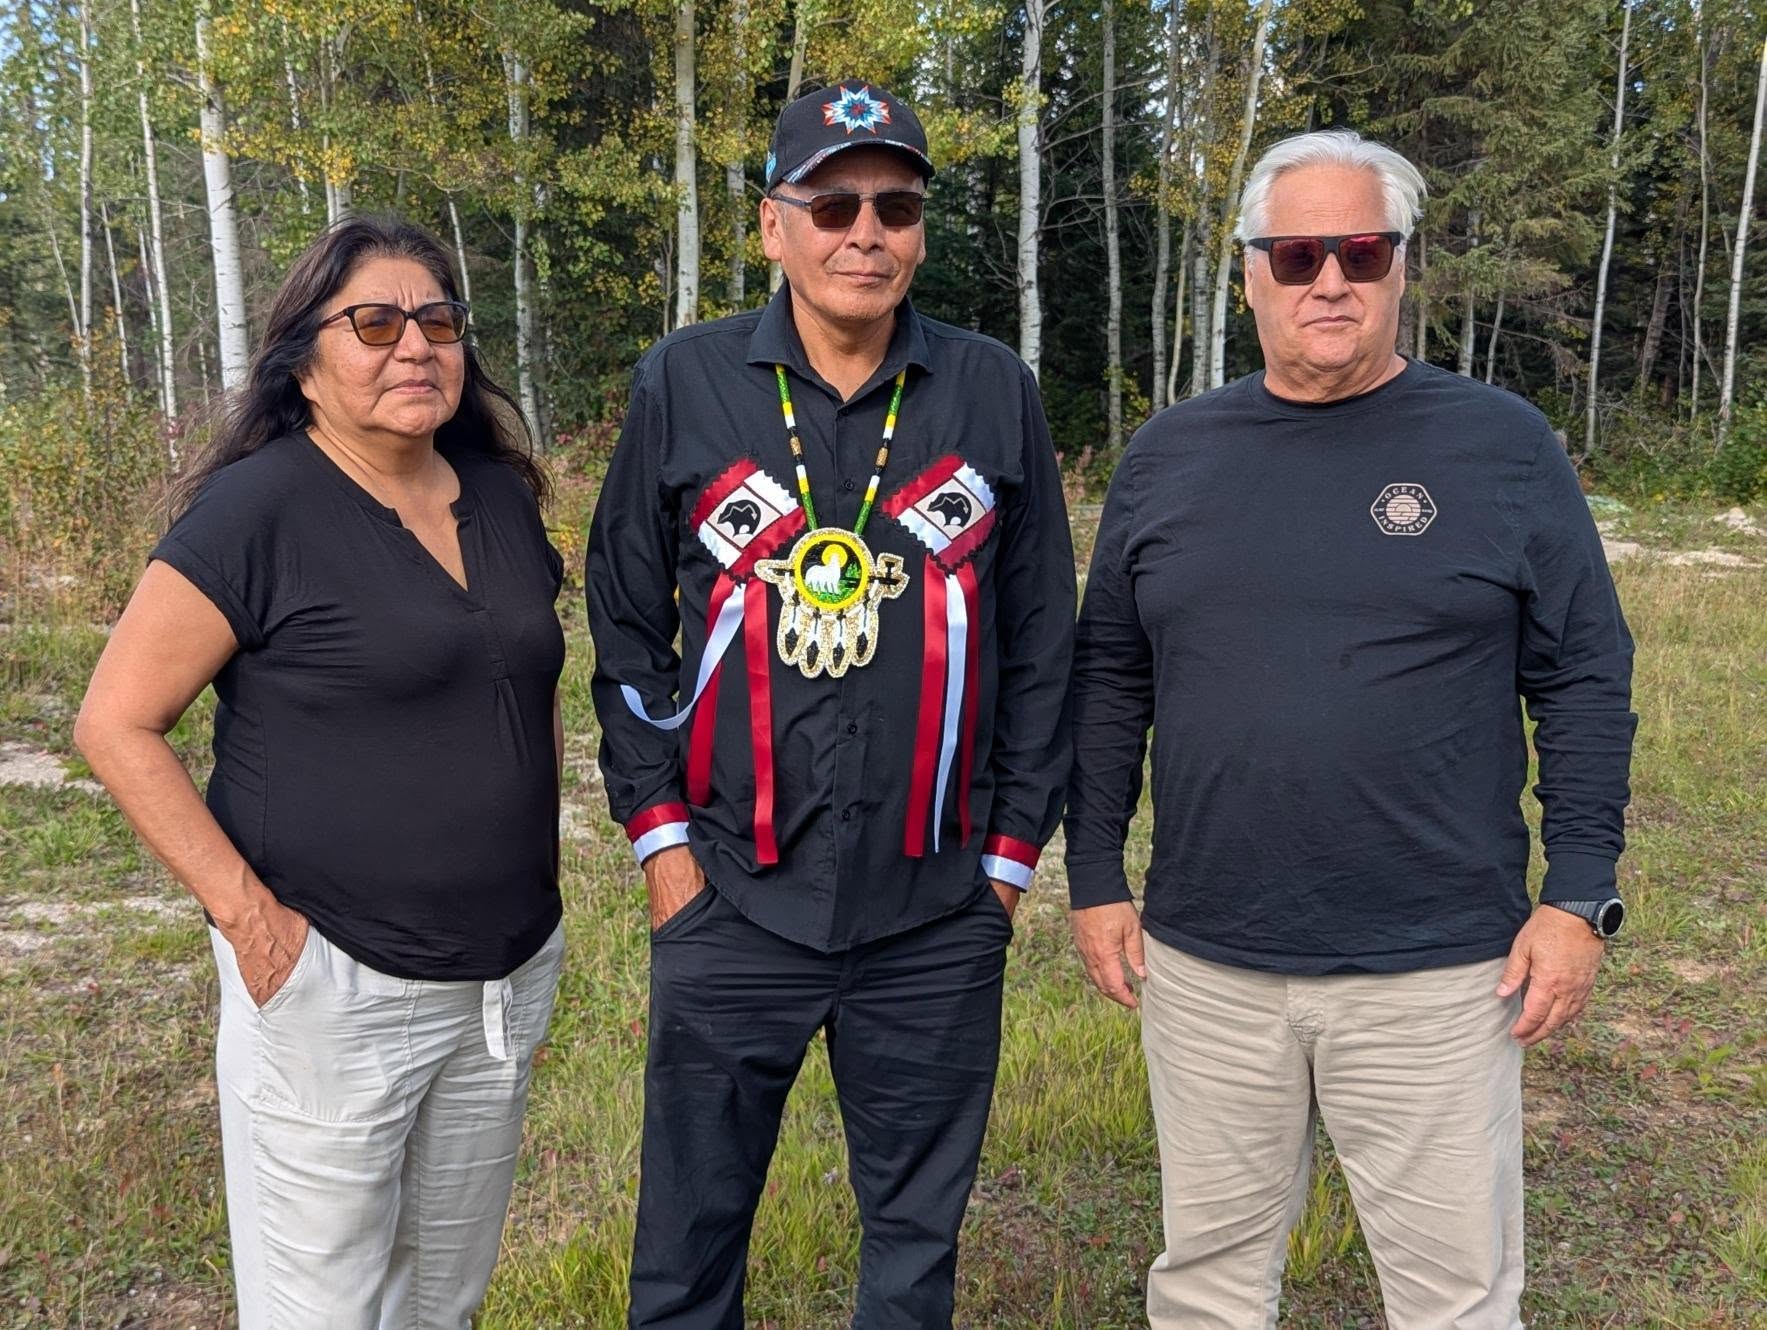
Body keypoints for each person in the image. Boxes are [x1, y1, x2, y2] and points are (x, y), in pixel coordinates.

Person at [1065, 130, 1635, 1330]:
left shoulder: (1501, 446)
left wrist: (1580, 892)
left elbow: (1584, 672)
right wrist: (1096, 874)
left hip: (1438, 966)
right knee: (1208, 1285)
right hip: (1209, 960)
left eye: (1362, 253)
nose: (1330, 280)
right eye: (1298, 254)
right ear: (1249, 274)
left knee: (1454, 1299)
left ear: (1401, 266)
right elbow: (1111, 674)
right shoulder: (1169, 456)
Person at [588, 81, 1074, 1328]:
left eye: (896, 207)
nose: (867, 233)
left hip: (935, 907)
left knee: (913, 1252)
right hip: (731, 892)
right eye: (834, 204)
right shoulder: (686, 382)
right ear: (773, 225)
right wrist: (661, 846)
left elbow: (1041, 645)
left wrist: (1007, 868)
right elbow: (627, 624)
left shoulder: (991, 390)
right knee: (688, 1244)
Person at [74, 217, 567, 1330]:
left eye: (437, 320)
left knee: (440, 1300)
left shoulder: (495, 495)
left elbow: (521, 686)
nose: (416, 346)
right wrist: (251, 921)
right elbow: (116, 722)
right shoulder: (260, 510)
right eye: (375, 324)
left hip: (498, 979)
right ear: (303, 362)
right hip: (335, 985)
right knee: (322, 1310)